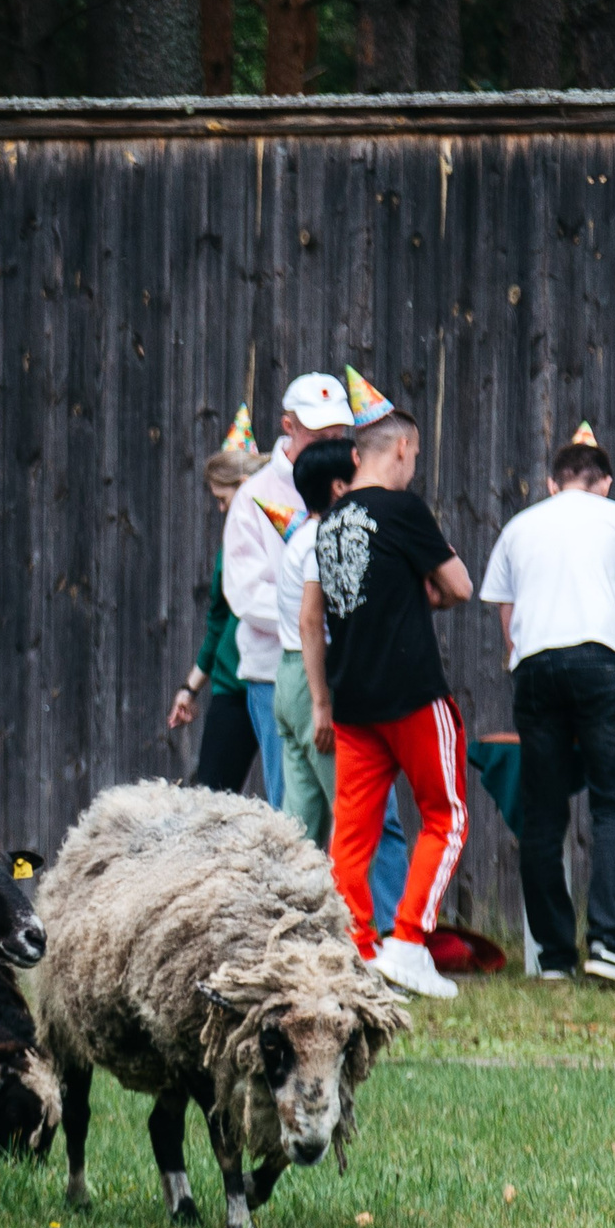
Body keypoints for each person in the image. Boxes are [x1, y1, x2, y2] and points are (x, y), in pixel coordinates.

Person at [301, 371, 471, 999]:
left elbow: (335, 607)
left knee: (352, 832)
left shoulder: (331, 519)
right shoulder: (402, 509)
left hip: (353, 699)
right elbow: (458, 586)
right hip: (411, 693)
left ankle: (354, 951)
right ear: (400, 448)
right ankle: (407, 942)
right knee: (445, 816)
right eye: (415, 455)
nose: (413, 465)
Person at [480, 439, 615, 987]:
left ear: (553, 482)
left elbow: (509, 628)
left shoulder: (518, 527)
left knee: (542, 813)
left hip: (534, 668)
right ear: (605, 481)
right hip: (601, 660)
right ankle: (609, 942)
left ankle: (553, 955)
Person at [273, 439, 411, 934]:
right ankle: (388, 929)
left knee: (301, 827)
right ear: (338, 488)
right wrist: (322, 703)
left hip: (288, 677)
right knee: (368, 817)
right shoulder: (323, 538)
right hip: (316, 679)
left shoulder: (301, 536)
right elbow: (314, 624)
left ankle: (291, 930)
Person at [225, 373, 354, 809]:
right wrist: (314, 618)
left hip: (347, 669)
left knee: (364, 809)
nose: (332, 441)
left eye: (339, 432)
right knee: (293, 809)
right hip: (279, 668)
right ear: (288, 426)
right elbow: (244, 593)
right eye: (320, 433)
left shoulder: (356, 485)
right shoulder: (253, 496)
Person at [168, 424, 259, 792]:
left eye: (224, 499)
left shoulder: (292, 531)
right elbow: (219, 623)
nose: (222, 509)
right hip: (232, 688)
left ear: (245, 484)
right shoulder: (230, 546)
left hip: (274, 685)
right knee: (212, 797)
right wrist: (190, 689)